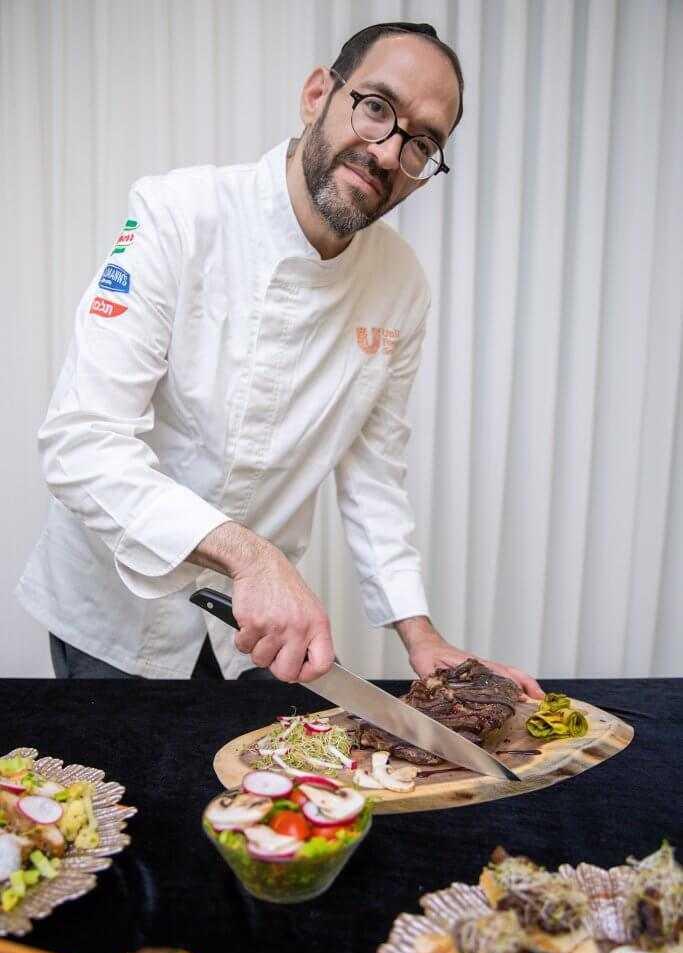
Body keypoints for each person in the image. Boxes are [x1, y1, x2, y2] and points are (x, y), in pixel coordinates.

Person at [17, 21, 543, 698]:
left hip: (248, 634)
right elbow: (81, 442)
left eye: (421, 144)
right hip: (113, 612)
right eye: (375, 107)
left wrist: (422, 637)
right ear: (317, 94)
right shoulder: (178, 213)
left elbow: (373, 477)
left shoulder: (401, 283)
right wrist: (251, 557)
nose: (388, 152)